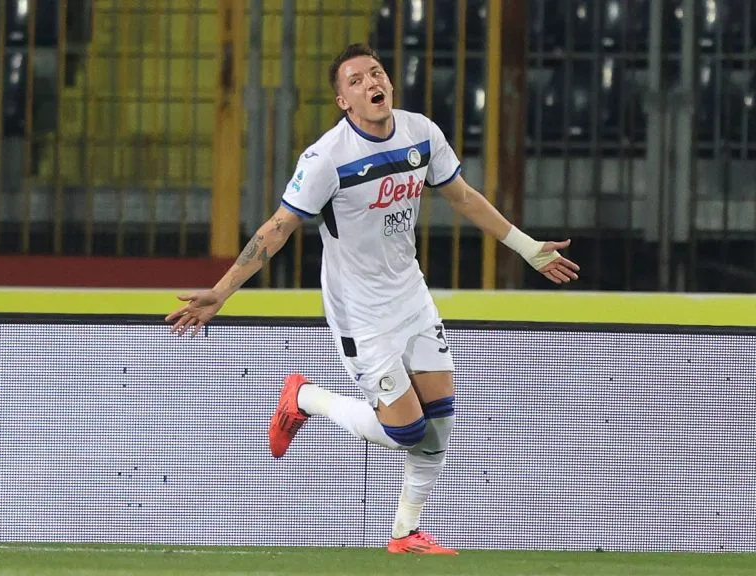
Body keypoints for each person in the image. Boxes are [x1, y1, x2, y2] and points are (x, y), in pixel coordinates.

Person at [165, 43, 580, 554]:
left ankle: (405, 533)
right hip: (361, 313)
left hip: (411, 297)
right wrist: (223, 291)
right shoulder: (326, 159)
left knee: (441, 422)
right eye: (357, 80)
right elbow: (278, 228)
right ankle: (304, 398)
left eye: (376, 73)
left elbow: (463, 197)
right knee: (408, 434)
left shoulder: (420, 133)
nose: (371, 83)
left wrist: (528, 248)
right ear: (344, 100)